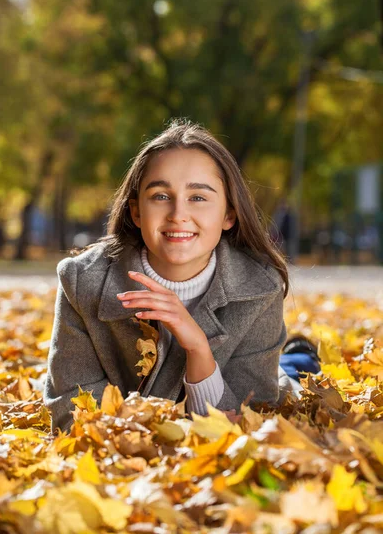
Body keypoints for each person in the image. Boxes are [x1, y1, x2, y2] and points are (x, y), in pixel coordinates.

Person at [44, 119, 293, 434]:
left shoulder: (260, 288)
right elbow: (72, 412)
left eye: (198, 197)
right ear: (136, 212)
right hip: (126, 464)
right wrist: (166, 439)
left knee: (293, 378)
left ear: (229, 214)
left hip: (266, 390)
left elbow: (248, 424)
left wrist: (199, 350)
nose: (178, 214)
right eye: (161, 196)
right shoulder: (83, 280)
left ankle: (298, 359)